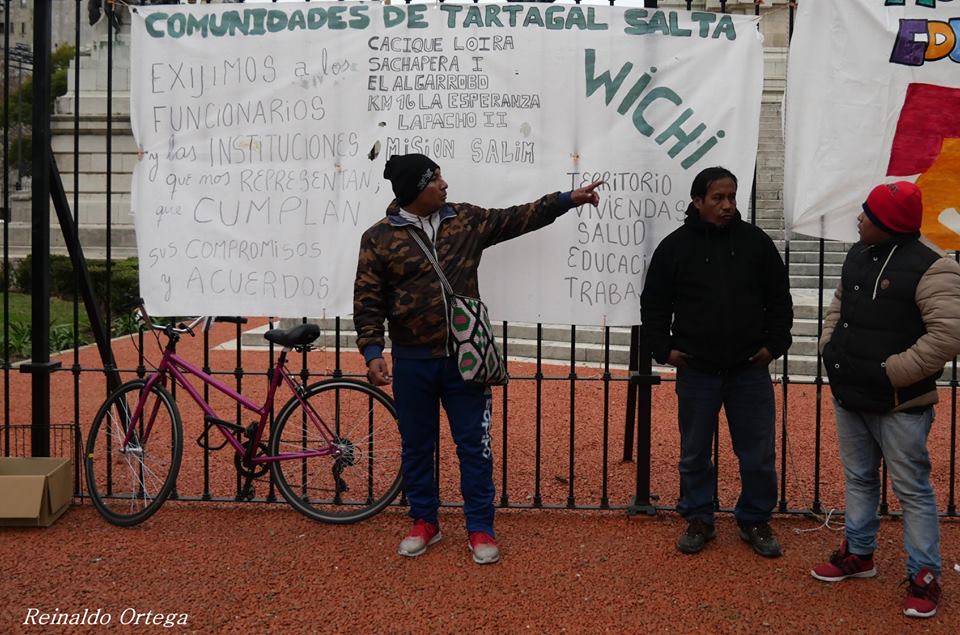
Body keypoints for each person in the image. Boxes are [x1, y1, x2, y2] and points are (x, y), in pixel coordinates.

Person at [353, 153, 603, 565]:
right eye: (436, 180)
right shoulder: (378, 238)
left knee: (475, 447)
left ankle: (480, 526)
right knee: (416, 446)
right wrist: (372, 350)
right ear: (417, 188)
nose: (445, 185)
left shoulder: (466, 220)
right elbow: (368, 299)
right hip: (413, 362)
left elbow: (517, 217)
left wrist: (566, 199)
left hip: (465, 359)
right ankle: (424, 522)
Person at [811, 181, 960, 619]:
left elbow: (948, 335)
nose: (859, 218)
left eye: (867, 213)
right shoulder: (858, 253)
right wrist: (829, 347)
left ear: (888, 223)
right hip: (850, 391)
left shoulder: (935, 267)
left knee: (912, 489)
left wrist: (892, 372)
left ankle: (924, 575)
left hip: (900, 401)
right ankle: (859, 553)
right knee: (858, 478)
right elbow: (838, 306)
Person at [640, 166, 793, 558]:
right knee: (694, 452)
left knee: (758, 453)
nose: (727, 206)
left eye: (731, 198)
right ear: (697, 201)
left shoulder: (756, 243)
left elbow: (779, 298)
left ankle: (756, 518)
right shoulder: (675, 247)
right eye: (718, 199)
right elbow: (654, 304)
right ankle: (699, 517)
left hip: (748, 369)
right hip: (698, 369)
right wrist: (664, 349)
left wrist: (774, 344)